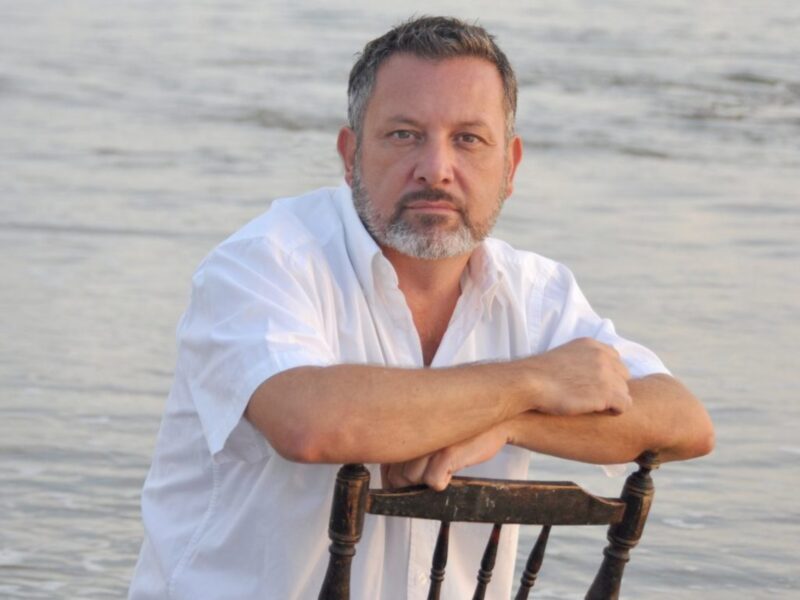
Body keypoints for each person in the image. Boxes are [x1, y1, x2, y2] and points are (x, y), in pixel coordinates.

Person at [128, 16, 714, 600]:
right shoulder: (263, 262)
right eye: (404, 134)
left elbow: (684, 422)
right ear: (350, 154)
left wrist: (509, 424)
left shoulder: (535, 292)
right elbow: (310, 424)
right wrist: (534, 380)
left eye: (468, 139)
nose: (436, 168)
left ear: (510, 167)